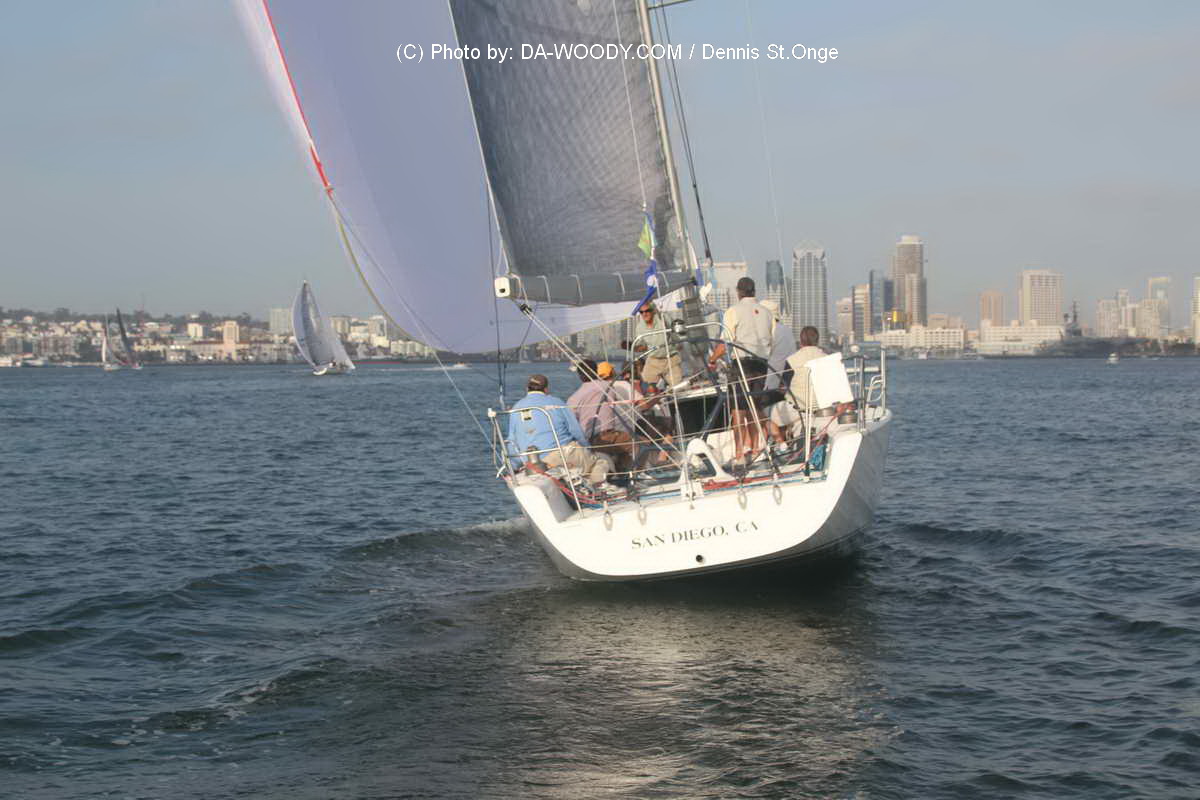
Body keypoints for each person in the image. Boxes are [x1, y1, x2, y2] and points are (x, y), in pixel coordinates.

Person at [706, 277, 776, 464]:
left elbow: (725, 342)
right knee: (754, 406)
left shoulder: (733, 311)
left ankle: (739, 453)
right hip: (761, 365)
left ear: (738, 292)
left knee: (738, 409)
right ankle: (755, 448)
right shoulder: (767, 313)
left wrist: (712, 360)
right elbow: (772, 341)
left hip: (742, 365)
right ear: (754, 291)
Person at [507, 374, 612, 486]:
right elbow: (576, 431)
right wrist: (588, 449)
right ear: (546, 389)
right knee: (601, 462)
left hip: (533, 462)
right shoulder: (557, 403)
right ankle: (598, 486)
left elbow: (512, 442)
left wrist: (514, 467)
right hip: (561, 455)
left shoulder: (516, 408)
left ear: (527, 389)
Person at [632, 302, 682, 391]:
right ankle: (656, 395)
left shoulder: (663, 318)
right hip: (653, 360)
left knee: (677, 388)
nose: (644, 314)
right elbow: (642, 346)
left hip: (670, 359)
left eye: (647, 311)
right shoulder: (639, 328)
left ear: (653, 311)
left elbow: (674, 328)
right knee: (646, 384)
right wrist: (631, 346)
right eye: (641, 312)